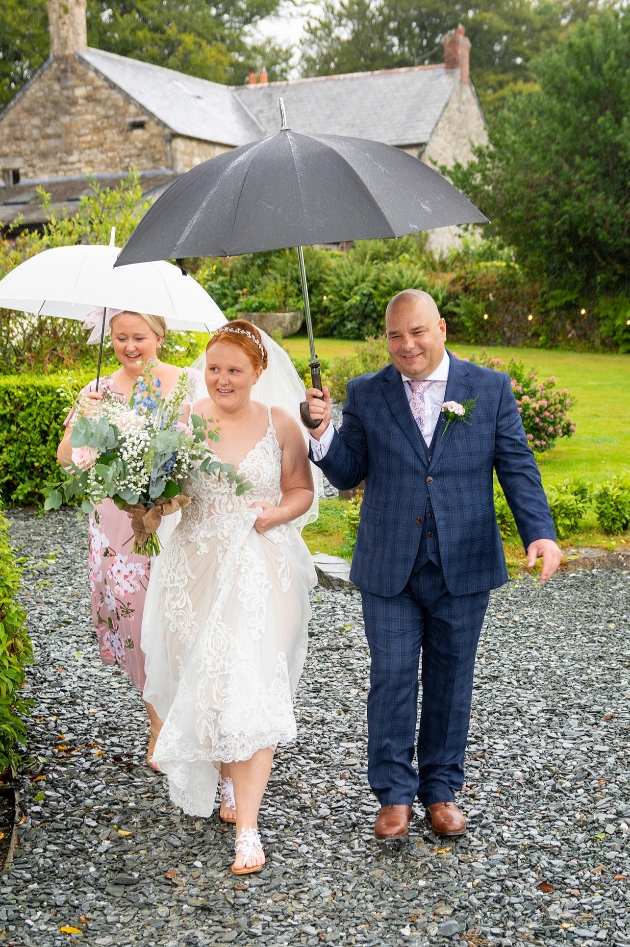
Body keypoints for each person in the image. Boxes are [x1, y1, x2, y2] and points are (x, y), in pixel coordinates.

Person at [305, 290, 562, 840]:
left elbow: (516, 463)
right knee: (392, 677)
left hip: (463, 560)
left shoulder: (488, 387)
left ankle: (441, 789)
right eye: (395, 335)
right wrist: (323, 432)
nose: (407, 345)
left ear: (441, 328)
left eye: (417, 331)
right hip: (389, 563)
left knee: (451, 678)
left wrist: (539, 533)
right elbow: (348, 472)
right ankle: (394, 795)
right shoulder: (367, 392)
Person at [141, 320, 317, 874]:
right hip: (193, 569)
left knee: (251, 683)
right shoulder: (184, 421)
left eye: (234, 370)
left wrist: (276, 514)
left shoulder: (281, 423)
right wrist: (147, 506)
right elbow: (166, 495)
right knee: (208, 685)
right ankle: (226, 778)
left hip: (261, 566)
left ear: (258, 372)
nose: (221, 378)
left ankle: (249, 830)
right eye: (213, 368)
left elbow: (301, 490)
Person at [58, 310, 206, 769]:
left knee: (181, 617)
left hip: (176, 520)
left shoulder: (189, 384)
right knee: (136, 619)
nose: (129, 346)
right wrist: (85, 421)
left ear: (159, 335)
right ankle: (158, 720)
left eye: (138, 336)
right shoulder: (97, 390)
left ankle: (191, 716)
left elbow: (208, 449)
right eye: (120, 337)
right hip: (117, 524)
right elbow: (66, 457)